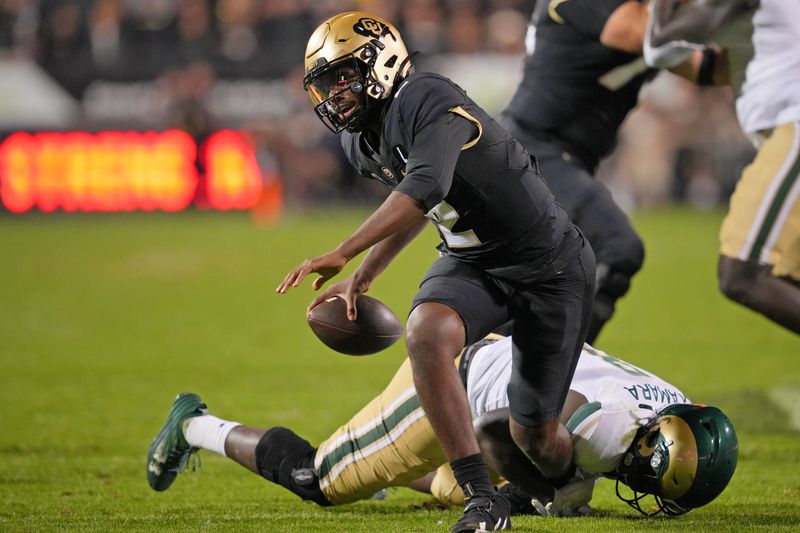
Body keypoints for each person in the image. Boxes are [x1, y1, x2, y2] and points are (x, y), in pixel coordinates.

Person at [275, 11, 596, 532]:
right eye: (325, 84)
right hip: (474, 261)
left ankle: (571, 478)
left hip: (550, 266)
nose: (333, 93)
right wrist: (368, 271)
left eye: (343, 76)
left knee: (535, 436)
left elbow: (425, 184)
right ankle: (481, 497)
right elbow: (422, 202)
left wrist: (345, 251)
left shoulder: (425, 96)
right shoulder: (361, 142)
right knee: (426, 332)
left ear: (379, 61)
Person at [145, 335, 740, 521]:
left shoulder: (672, 412)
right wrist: (556, 489)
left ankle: (389, 465)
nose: (644, 483)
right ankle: (195, 424)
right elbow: (493, 430)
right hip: (450, 386)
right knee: (318, 478)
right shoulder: (608, 432)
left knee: (509, 495)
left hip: (501, 363)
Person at [499, 0, 726, 343]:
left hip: (562, 158)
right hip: (531, 151)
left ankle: (505, 370)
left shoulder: (647, 20)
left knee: (538, 283)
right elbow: (635, 32)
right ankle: (536, 377)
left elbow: (709, 69)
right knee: (616, 246)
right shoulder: (611, 14)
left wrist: (765, 49)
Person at [643, 0, 800, 334]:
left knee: (743, 275)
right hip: (784, 127)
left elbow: (661, 46)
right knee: (784, 275)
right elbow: (716, 66)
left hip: (795, 126)